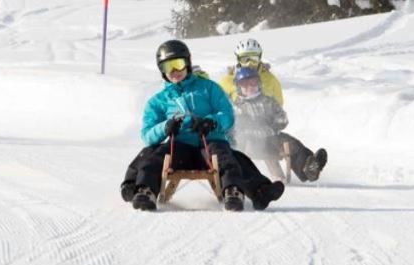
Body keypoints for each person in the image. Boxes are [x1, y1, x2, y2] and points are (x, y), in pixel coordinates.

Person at [120, 39, 284, 212]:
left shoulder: (209, 88)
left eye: (178, 64)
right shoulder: (159, 101)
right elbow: (147, 134)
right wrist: (165, 127)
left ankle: (235, 191)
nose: (174, 71)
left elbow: (227, 114)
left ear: (188, 63)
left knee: (228, 158)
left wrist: (212, 122)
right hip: (179, 147)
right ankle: (144, 190)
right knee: (155, 156)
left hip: (210, 143)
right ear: (161, 70)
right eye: (168, 67)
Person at [218, 38, 327, 182]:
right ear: (238, 59)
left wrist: (271, 121)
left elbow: (278, 106)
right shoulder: (227, 81)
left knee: (290, 143)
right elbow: (220, 107)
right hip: (242, 135)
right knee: (235, 145)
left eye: (254, 58)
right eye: (246, 59)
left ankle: (309, 166)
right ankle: (234, 175)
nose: (250, 63)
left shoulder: (270, 79)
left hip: (268, 130)